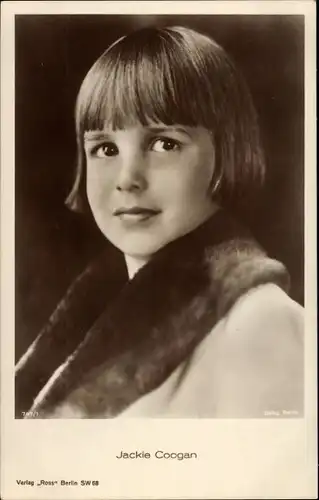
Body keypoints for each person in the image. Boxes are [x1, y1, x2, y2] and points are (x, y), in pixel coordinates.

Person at [15, 25, 303, 419]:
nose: (127, 178)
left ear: (227, 148)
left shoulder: (260, 323)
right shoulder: (94, 318)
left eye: (164, 144)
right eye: (105, 148)